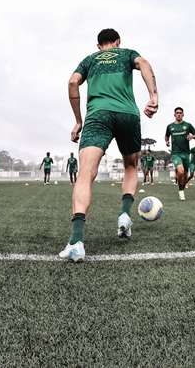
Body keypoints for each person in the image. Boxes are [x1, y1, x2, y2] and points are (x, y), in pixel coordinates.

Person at [58, 28, 158, 262]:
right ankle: (124, 215)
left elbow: (73, 82)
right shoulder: (127, 53)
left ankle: (76, 241)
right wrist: (153, 96)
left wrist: (78, 121)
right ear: (117, 42)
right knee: (131, 166)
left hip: (98, 115)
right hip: (127, 115)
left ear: (98, 45)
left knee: (85, 173)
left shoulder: (90, 60)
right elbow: (144, 63)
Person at [165, 107, 195, 201]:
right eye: (177, 113)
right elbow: (167, 136)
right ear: (174, 115)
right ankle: (180, 191)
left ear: (183, 114)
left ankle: (182, 187)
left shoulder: (188, 125)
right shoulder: (170, 126)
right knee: (180, 171)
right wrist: (167, 142)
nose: (179, 114)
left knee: (185, 175)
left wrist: (192, 136)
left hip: (186, 154)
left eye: (180, 113)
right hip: (175, 153)